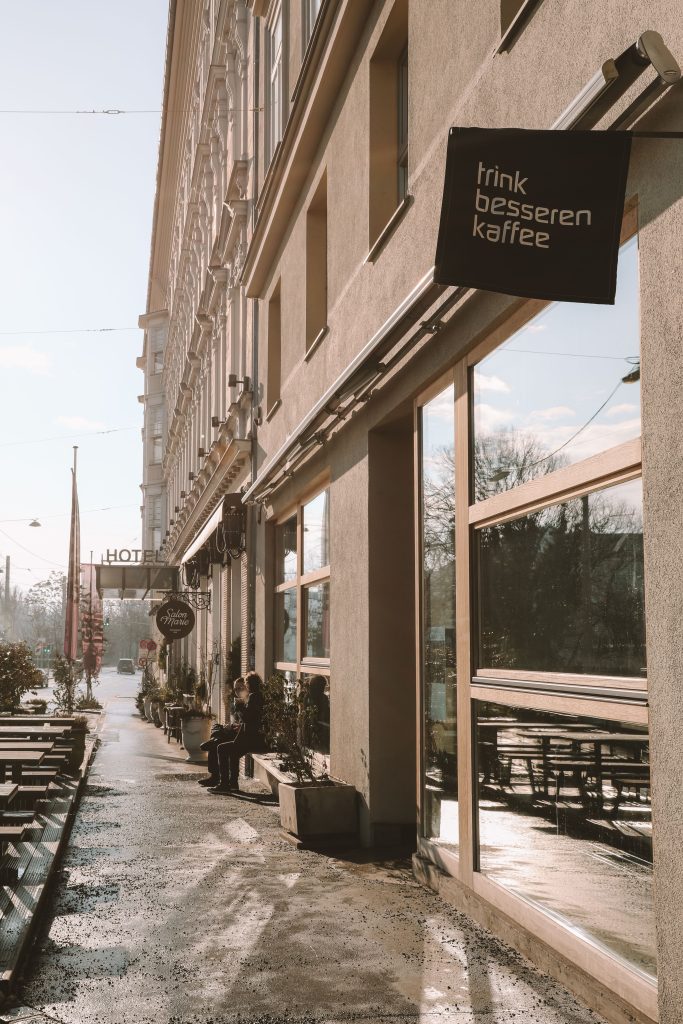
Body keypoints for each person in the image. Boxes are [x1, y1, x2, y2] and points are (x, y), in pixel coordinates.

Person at [209, 671, 266, 794]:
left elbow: (247, 717)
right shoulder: (260, 696)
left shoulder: (253, 697)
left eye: (246, 684)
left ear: (249, 684)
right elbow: (253, 719)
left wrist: (239, 706)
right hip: (256, 737)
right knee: (233, 753)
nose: (246, 687)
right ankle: (233, 784)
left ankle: (224, 784)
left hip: (252, 739)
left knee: (221, 748)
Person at [196, 677, 247, 787]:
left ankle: (215, 777)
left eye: (240, 688)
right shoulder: (237, 702)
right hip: (235, 732)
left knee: (217, 745)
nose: (238, 691)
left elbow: (247, 721)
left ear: (246, 687)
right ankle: (215, 776)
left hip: (242, 735)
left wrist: (236, 725)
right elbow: (237, 721)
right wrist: (230, 725)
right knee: (217, 730)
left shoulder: (248, 702)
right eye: (236, 689)